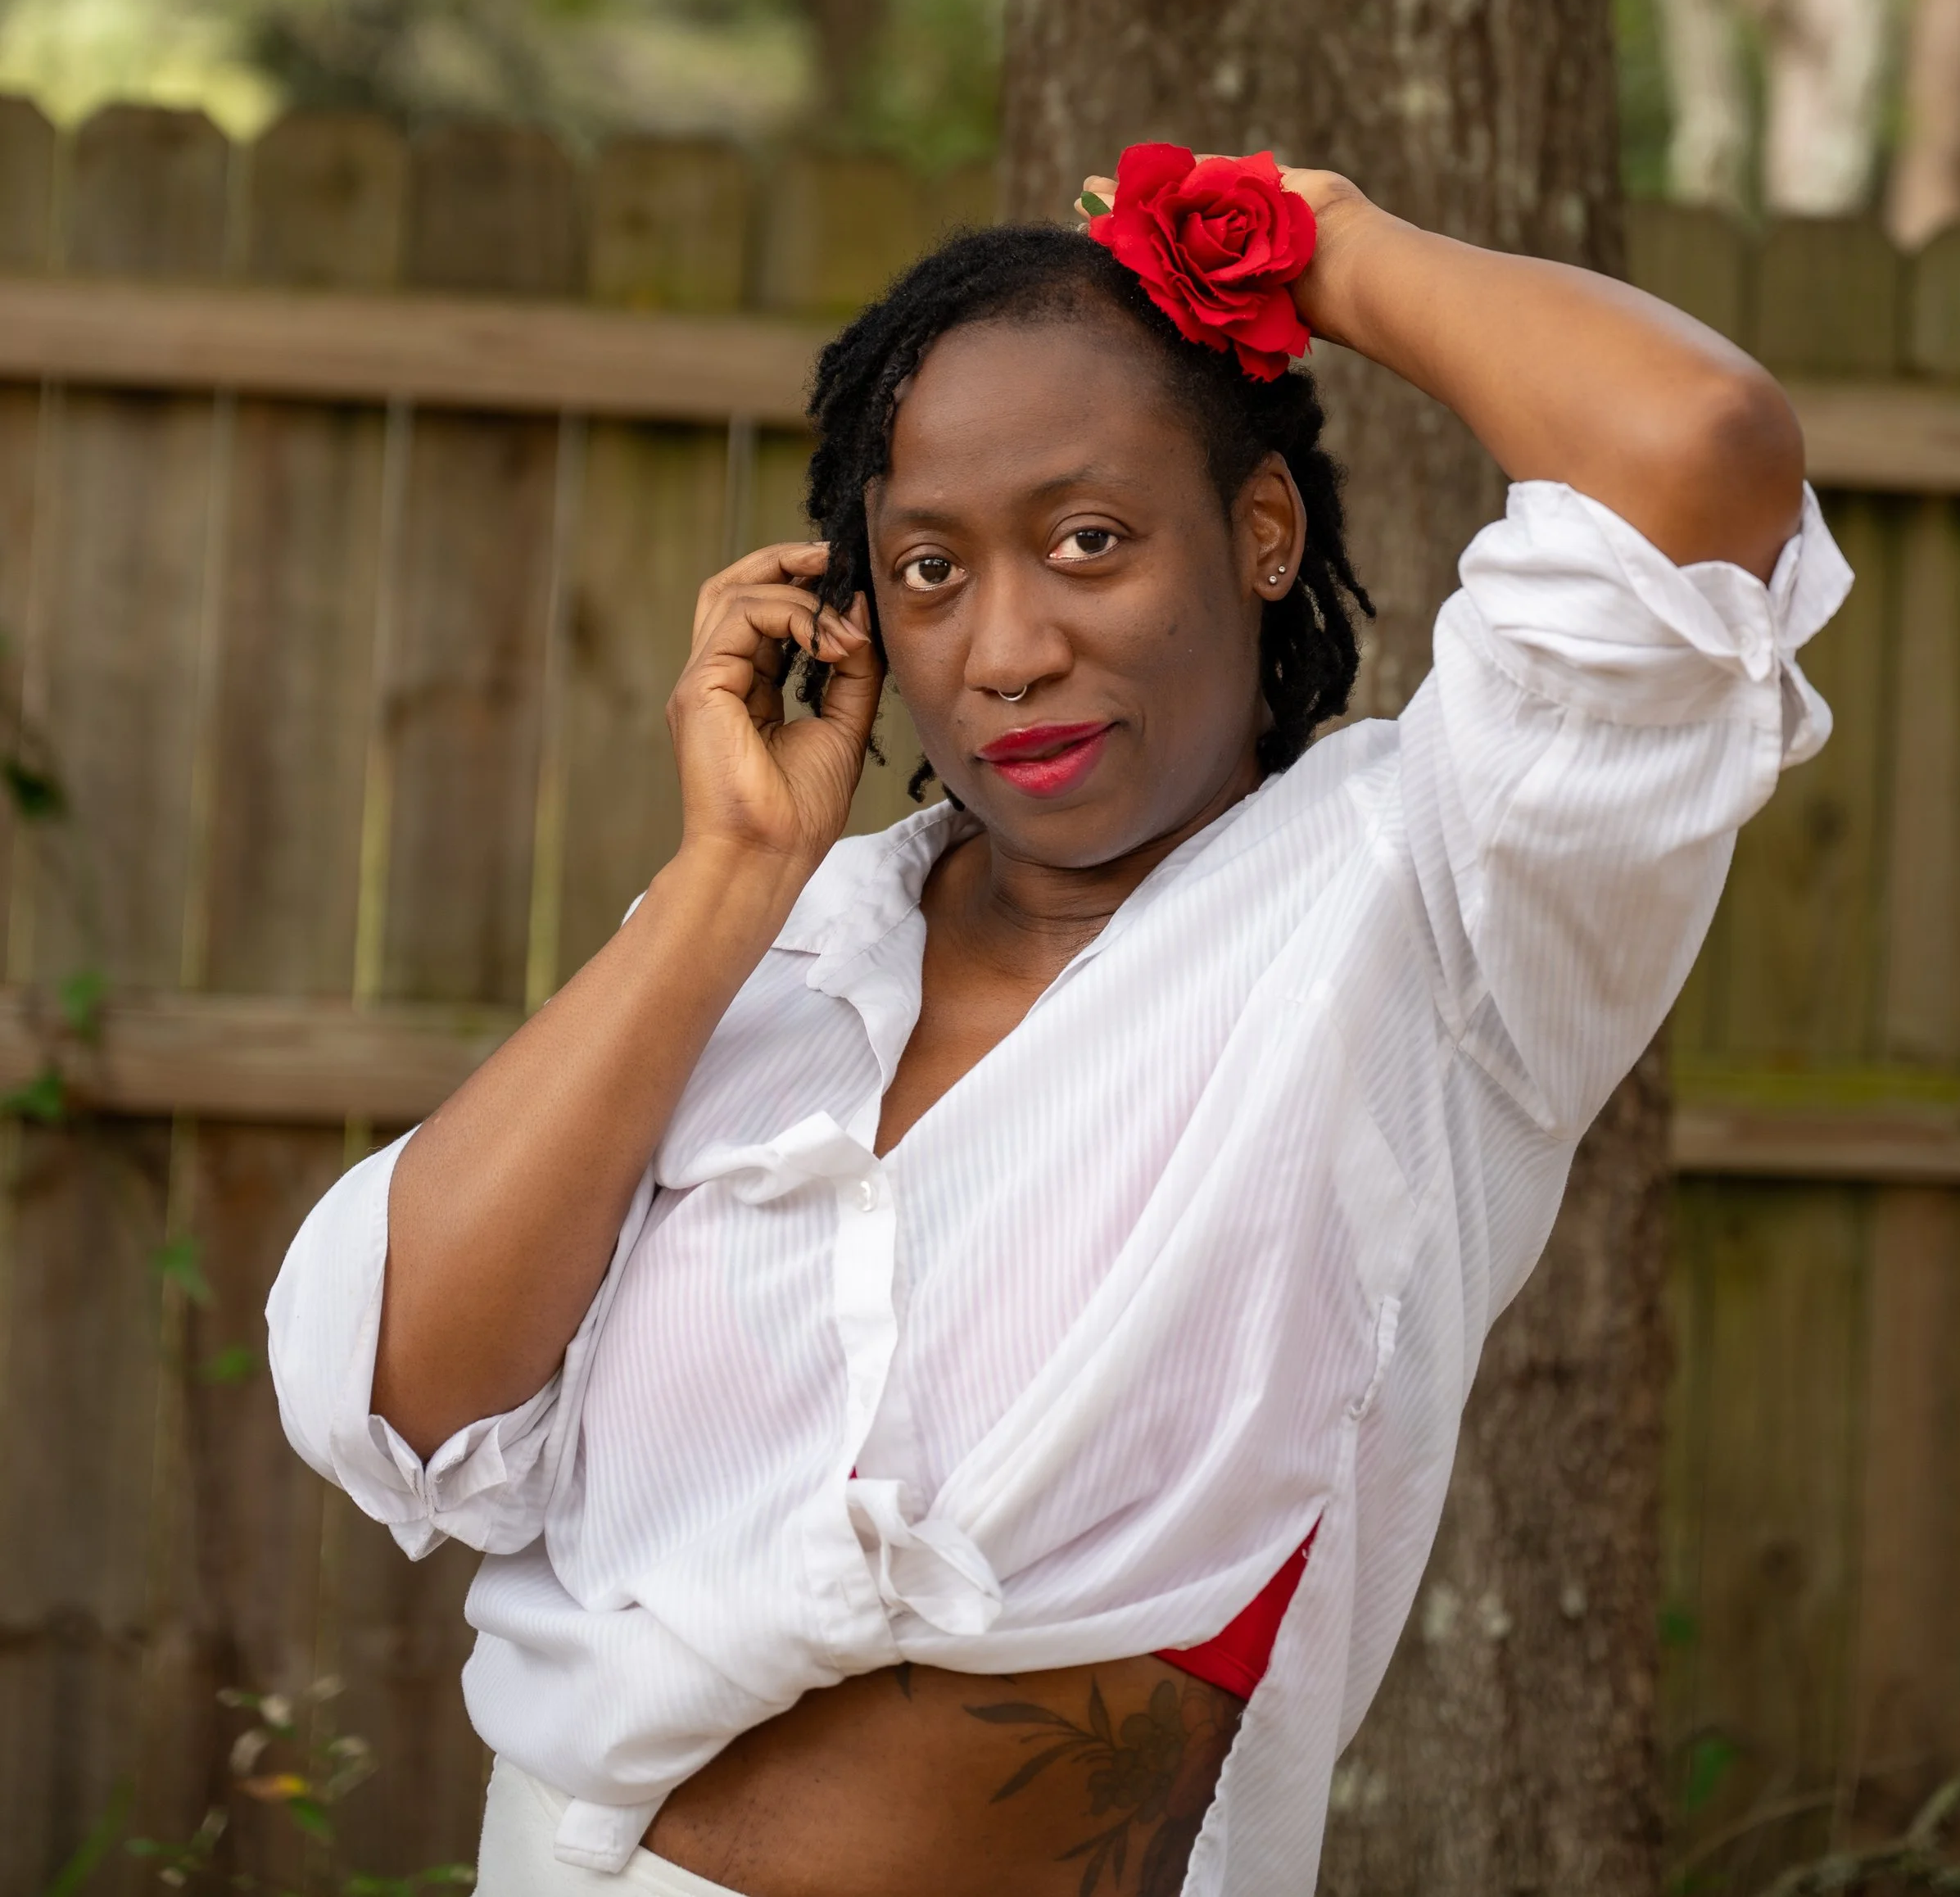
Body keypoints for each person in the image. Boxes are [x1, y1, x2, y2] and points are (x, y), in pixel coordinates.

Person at [269, 152, 1849, 1897]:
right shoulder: (771, 958)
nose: (1004, 646)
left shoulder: (1425, 898)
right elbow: (410, 1388)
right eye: (929, 570)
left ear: (1263, 533)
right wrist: (731, 871)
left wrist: (1316, 246)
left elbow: (1692, 453)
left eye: (1085, 540)